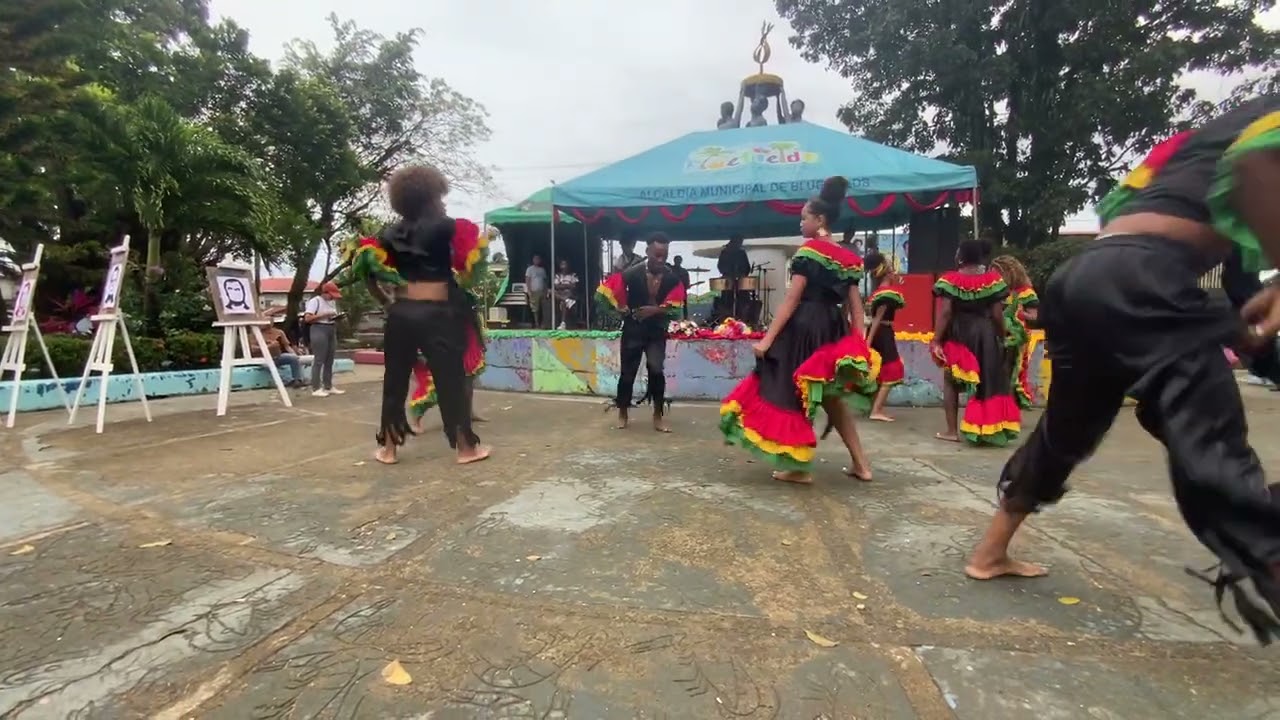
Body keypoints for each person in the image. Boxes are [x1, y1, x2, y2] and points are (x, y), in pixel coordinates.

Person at [964, 96, 1280, 645]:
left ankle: (989, 554)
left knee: (1065, 432)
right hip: (1145, 277)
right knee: (1214, 450)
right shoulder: (1264, 121)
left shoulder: (1190, 146)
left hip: (1086, 276)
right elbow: (1259, 163)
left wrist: (1243, 318)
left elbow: (1215, 239)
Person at [719, 176, 879, 484]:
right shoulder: (849, 258)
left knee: (793, 394)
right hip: (834, 329)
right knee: (831, 399)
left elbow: (791, 300)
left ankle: (798, 467)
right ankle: (862, 465)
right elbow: (856, 307)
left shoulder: (809, 252)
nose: (800, 221)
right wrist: (858, 345)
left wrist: (767, 340)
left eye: (804, 216)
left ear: (819, 220)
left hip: (805, 325)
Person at [344, 164, 488, 466]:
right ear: (432, 194)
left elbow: (368, 270)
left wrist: (387, 302)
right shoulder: (448, 226)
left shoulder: (389, 233)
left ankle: (388, 450)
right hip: (439, 312)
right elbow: (468, 270)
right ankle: (465, 448)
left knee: (394, 381)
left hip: (401, 313)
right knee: (450, 379)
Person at [930, 239, 1020, 445]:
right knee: (988, 380)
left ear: (961, 256)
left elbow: (945, 312)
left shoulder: (950, 280)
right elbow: (998, 315)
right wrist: (1001, 335)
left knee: (951, 380)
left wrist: (936, 339)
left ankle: (952, 431)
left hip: (959, 333)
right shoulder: (993, 280)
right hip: (986, 333)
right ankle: (985, 431)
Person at [596, 234, 685, 431]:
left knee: (656, 369)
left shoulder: (672, 278)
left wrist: (655, 310)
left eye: (665, 255)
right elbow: (604, 294)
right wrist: (619, 310)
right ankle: (622, 413)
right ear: (648, 252)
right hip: (633, 330)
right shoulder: (631, 274)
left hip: (656, 331)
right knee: (627, 373)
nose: (661, 260)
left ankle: (657, 416)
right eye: (657, 255)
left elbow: (676, 308)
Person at [990, 255, 1039, 408]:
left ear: (1009, 273)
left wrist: (1019, 313)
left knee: (1012, 372)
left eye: (998, 273)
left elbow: (1034, 316)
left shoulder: (1025, 292)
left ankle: (1010, 406)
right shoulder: (997, 290)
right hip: (998, 334)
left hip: (1018, 337)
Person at [866, 272, 906, 422]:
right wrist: (867, 343)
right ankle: (876, 410)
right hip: (882, 333)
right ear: (886, 274)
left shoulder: (878, 292)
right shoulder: (885, 293)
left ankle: (876, 407)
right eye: (891, 271)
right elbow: (877, 318)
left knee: (881, 369)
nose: (894, 273)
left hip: (880, 332)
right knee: (893, 369)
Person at [303, 281, 344, 397]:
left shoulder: (332, 302)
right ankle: (316, 387)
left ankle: (328, 385)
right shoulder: (315, 301)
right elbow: (307, 318)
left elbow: (332, 314)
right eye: (331, 295)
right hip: (318, 328)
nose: (332, 298)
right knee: (319, 358)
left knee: (330, 359)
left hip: (331, 327)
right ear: (325, 293)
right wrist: (323, 315)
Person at [252, 311, 307, 388]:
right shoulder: (256, 333)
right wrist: (268, 347)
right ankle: (287, 380)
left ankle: (297, 379)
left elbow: (287, 346)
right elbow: (253, 349)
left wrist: (294, 354)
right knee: (267, 366)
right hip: (263, 358)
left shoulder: (279, 332)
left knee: (293, 358)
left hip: (277, 356)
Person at [716, 233, 752, 319]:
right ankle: (727, 318)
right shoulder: (725, 253)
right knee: (727, 299)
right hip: (728, 280)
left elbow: (747, 267)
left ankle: (742, 318)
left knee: (743, 299)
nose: (740, 244)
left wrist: (742, 274)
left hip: (740, 280)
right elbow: (720, 266)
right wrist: (728, 273)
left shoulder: (741, 253)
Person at [553, 259, 580, 329]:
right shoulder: (557, 275)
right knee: (552, 291)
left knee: (565, 299)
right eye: (562, 264)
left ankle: (563, 323)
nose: (564, 266)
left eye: (565, 264)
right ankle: (565, 299)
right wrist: (567, 285)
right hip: (560, 294)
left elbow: (574, 286)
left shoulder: (573, 275)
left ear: (568, 265)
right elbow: (556, 286)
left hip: (569, 293)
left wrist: (562, 286)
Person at [525, 255, 549, 329]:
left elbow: (545, 281)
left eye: (538, 259)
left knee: (542, 307)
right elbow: (527, 280)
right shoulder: (530, 269)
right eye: (535, 259)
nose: (537, 260)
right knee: (534, 308)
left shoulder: (542, 270)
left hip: (541, 291)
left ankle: (543, 324)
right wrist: (529, 290)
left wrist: (546, 291)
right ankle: (536, 323)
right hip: (533, 291)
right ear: (533, 260)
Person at [670, 255, 692, 320]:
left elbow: (687, 284)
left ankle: (683, 319)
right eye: (677, 260)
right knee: (677, 306)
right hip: (676, 293)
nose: (678, 262)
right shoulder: (671, 270)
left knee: (681, 306)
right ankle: (680, 319)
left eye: (678, 260)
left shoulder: (682, 271)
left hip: (679, 292)